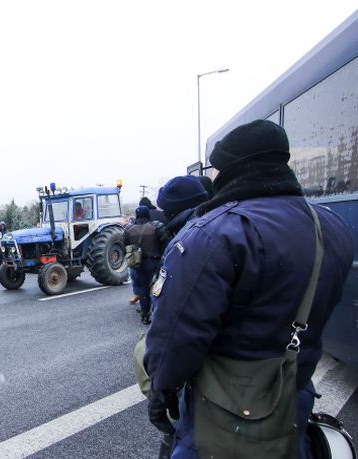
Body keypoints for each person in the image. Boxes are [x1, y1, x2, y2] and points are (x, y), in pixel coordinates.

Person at [144, 120, 354, 458]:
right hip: (293, 399)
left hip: (222, 413)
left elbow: (177, 335)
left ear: (232, 169)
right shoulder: (331, 225)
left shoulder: (214, 234)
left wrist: (161, 389)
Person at [123, 206, 169, 324]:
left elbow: (126, 247)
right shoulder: (157, 226)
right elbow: (167, 245)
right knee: (158, 289)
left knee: (143, 290)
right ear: (148, 214)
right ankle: (159, 316)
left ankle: (144, 315)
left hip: (138, 264)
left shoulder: (128, 229)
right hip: (155, 263)